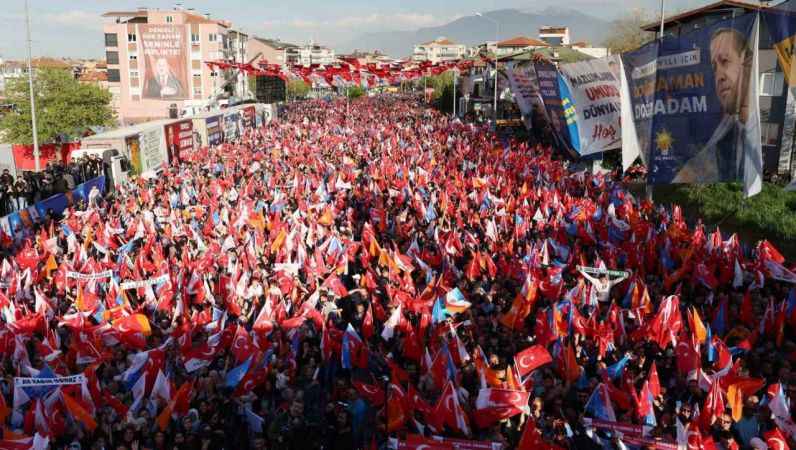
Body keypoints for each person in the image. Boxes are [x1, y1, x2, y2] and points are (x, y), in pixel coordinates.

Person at [673, 27, 761, 184]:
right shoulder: (721, 137)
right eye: (714, 68)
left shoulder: (758, 133)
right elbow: (684, 177)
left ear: (747, 63)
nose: (719, 76)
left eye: (725, 61)